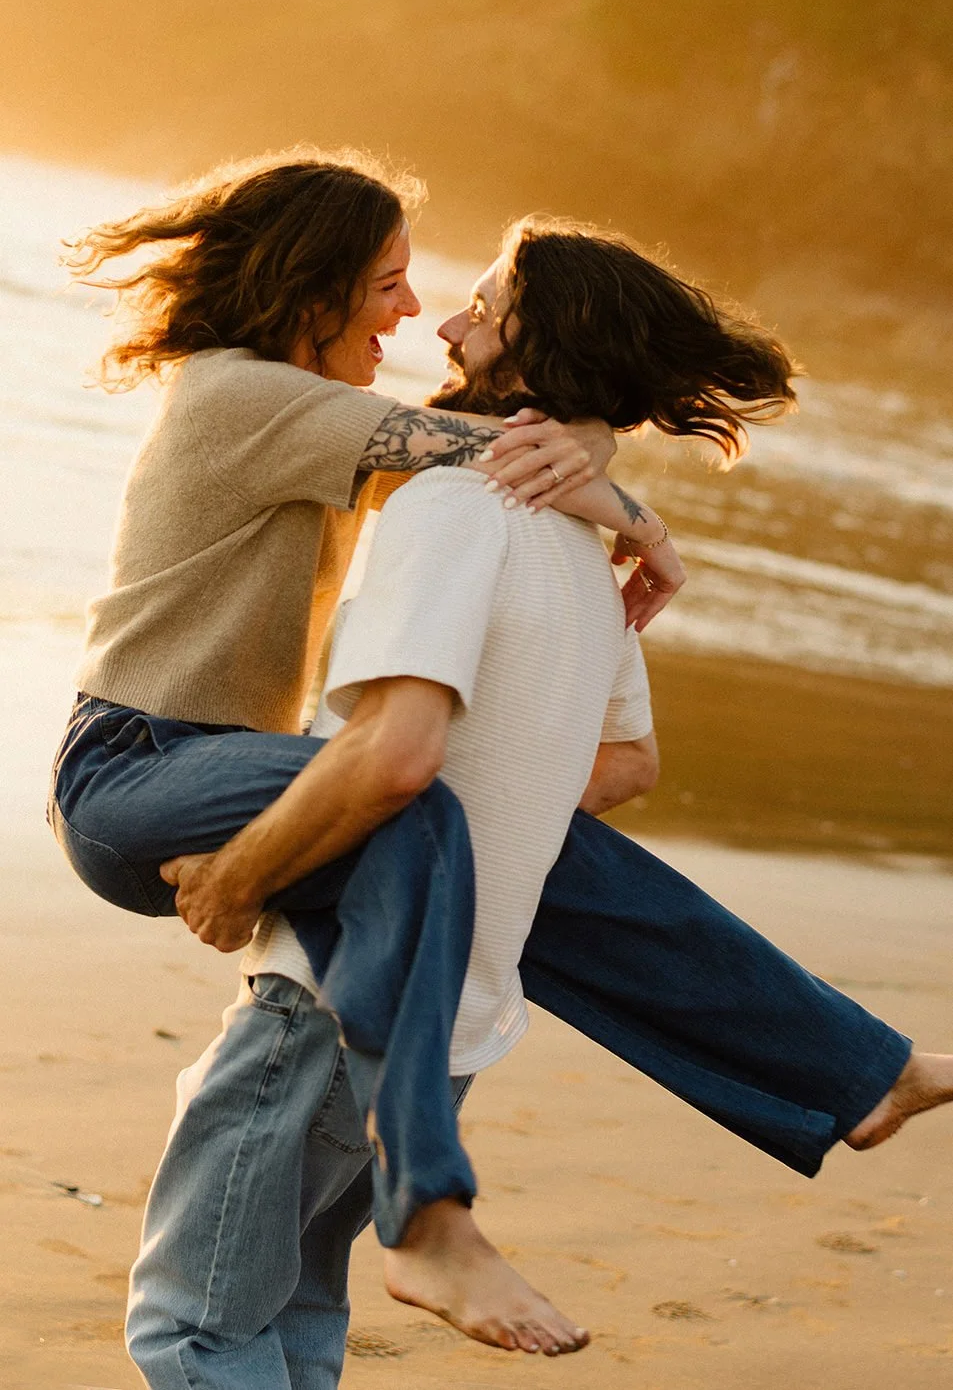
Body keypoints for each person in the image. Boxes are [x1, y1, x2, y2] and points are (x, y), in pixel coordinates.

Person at [48, 157, 953, 1386]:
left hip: (264, 828)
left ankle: (447, 1207)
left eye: (447, 292)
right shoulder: (242, 397)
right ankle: (823, 1070)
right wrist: (626, 506)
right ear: (310, 285)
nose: (419, 314)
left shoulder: (473, 501)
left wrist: (250, 876)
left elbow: (483, 685)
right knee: (428, 815)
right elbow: (498, 461)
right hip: (138, 766)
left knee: (432, 811)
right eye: (387, 283)